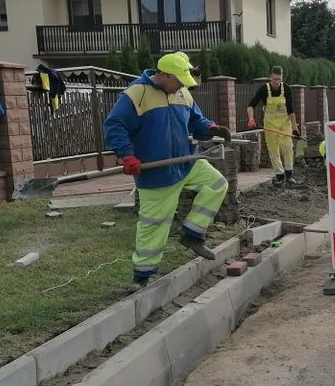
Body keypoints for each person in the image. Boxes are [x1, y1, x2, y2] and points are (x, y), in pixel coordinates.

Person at [104, 52, 232, 290]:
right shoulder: (136, 94)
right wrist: (127, 155)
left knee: (217, 183)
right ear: (163, 75)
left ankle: (192, 234)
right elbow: (114, 126)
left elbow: (197, 121)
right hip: (157, 171)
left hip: (185, 162)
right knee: (154, 224)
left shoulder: (182, 93)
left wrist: (212, 128)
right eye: (179, 80)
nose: (183, 85)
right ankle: (141, 276)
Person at [247, 66, 299, 186]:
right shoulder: (264, 89)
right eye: (275, 79)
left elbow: (291, 111)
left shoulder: (286, 89)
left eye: (279, 79)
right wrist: (251, 119)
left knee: (287, 147)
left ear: (282, 78)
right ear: (270, 77)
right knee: (273, 150)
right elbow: (250, 106)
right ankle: (280, 176)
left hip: (284, 123)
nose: (277, 82)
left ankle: (289, 174)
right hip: (270, 124)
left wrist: (295, 127)